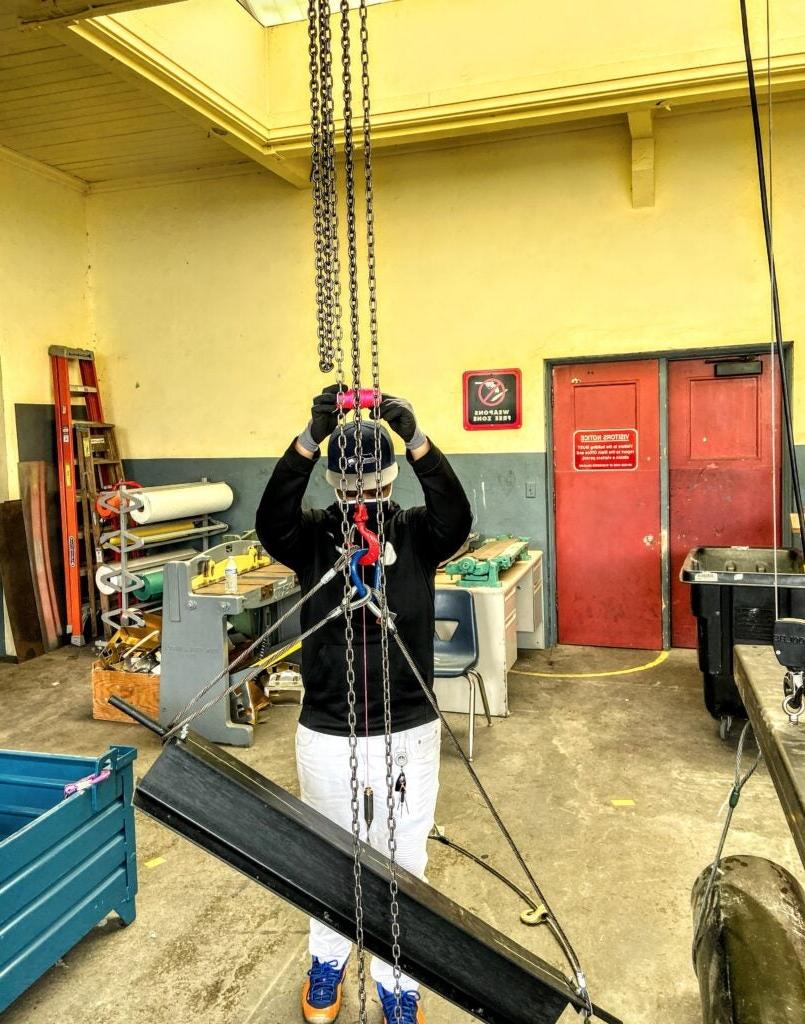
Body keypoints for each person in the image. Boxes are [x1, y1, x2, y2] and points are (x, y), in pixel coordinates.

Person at [255, 385, 472, 1024]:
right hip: (329, 726)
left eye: (367, 478)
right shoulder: (314, 536)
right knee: (333, 853)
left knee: (405, 853)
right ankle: (327, 963)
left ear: (387, 475)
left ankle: (396, 979)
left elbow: (455, 516)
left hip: (410, 723)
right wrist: (305, 440)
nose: (359, 491)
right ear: (333, 480)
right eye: (348, 481)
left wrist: (421, 441)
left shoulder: (415, 532)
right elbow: (271, 521)